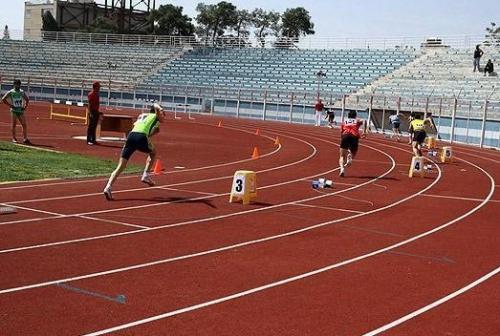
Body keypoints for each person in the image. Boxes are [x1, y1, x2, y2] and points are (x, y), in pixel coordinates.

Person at [103, 103, 166, 201]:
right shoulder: (155, 116)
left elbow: (137, 127)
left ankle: (108, 187)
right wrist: (160, 108)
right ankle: (145, 175)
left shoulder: (142, 116)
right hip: (141, 136)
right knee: (153, 153)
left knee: (121, 166)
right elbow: (158, 118)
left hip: (131, 136)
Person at [1, 79, 31, 144]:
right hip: (14, 110)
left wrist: (25, 107)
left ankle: (25, 138)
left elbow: (27, 99)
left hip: (20, 110)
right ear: (14, 85)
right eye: (17, 84)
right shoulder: (11, 92)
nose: (18, 86)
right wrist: (10, 105)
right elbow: (3, 99)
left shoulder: (21, 92)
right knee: (14, 125)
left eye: (19, 84)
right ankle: (14, 138)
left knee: (24, 124)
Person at [338, 110, 367, 177]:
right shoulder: (357, 121)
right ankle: (350, 157)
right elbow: (365, 121)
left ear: (348, 115)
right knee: (353, 152)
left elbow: (341, 132)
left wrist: (342, 139)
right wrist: (364, 131)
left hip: (345, 136)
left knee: (342, 156)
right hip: (354, 136)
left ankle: (342, 169)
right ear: (355, 116)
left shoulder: (344, 122)